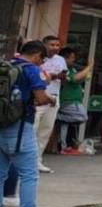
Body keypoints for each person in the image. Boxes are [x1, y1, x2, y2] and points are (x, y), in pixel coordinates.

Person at [0, 40, 56, 207]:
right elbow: (40, 98)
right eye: (42, 59)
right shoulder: (31, 70)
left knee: (0, 174)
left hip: (2, 125)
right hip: (21, 128)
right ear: (37, 55)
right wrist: (51, 99)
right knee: (29, 175)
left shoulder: (7, 66)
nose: (41, 64)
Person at [54, 47, 92, 154]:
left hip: (75, 99)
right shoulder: (63, 70)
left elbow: (83, 78)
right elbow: (74, 78)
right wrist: (89, 67)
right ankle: (57, 117)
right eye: (71, 58)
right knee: (82, 116)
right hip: (68, 100)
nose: (73, 60)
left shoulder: (73, 69)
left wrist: (87, 71)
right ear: (64, 59)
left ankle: (63, 146)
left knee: (65, 123)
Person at [36, 35, 65, 166]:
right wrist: (53, 76)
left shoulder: (61, 60)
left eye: (57, 45)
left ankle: (38, 161)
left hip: (54, 97)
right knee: (32, 130)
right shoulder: (38, 58)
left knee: (45, 131)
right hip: (39, 97)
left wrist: (63, 77)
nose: (55, 48)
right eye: (52, 45)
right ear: (44, 45)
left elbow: (64, 79)